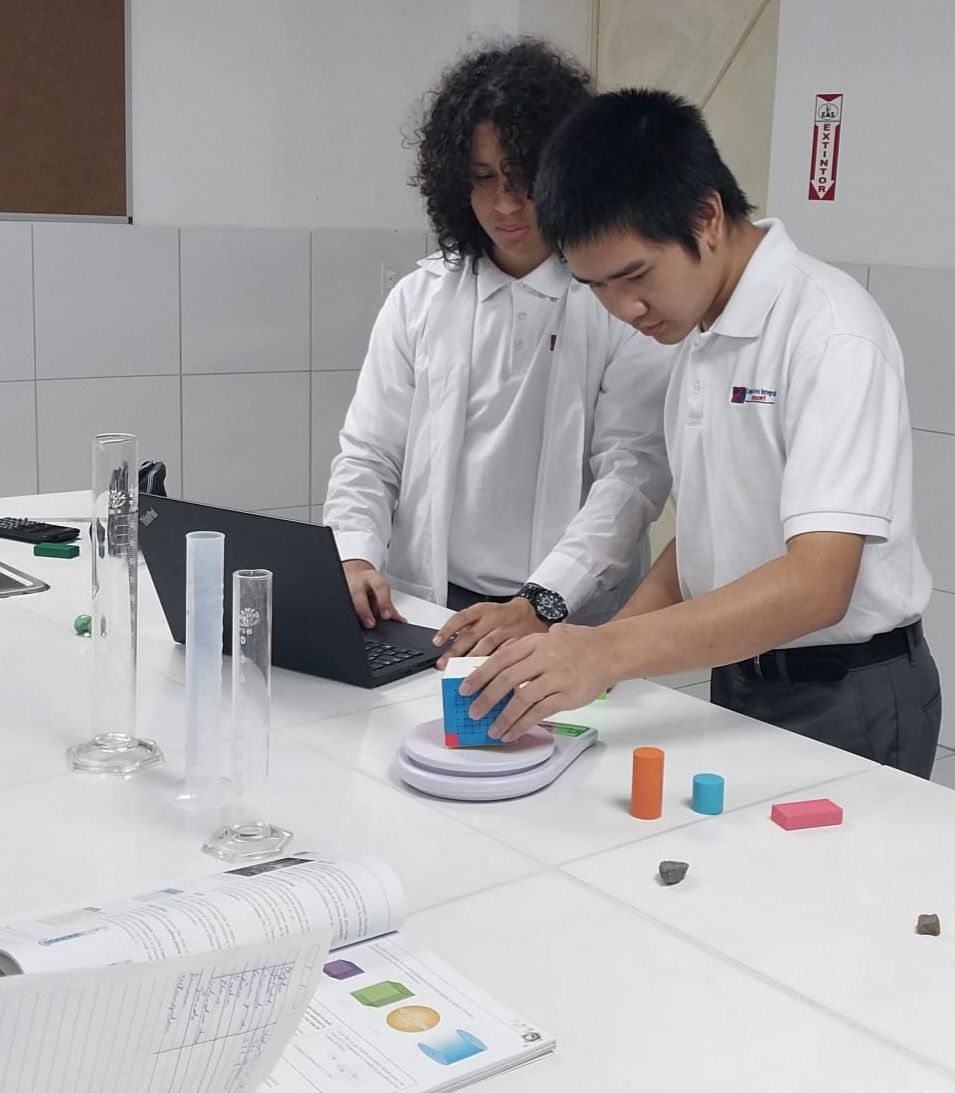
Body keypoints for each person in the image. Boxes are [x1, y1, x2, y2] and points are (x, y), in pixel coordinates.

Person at [462, 88, 941, 778]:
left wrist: (607, 653)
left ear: (706, 217)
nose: (625, 309)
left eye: (635, 275)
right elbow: (712, 535)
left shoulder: (829, 331)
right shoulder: (697, 336)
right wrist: (592, 650)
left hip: (848, 689)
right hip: (742, 676)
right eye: (596, 286)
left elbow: (816, 584)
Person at [323, 43, 672, 668]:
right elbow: (370, 454)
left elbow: (633, 476)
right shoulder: (420, 297)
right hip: (426, 610)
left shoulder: (616, 300)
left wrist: (544, 600)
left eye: (525, 178)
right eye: (484, 178)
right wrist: (353, 555)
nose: (506, 205)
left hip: (565, 617)